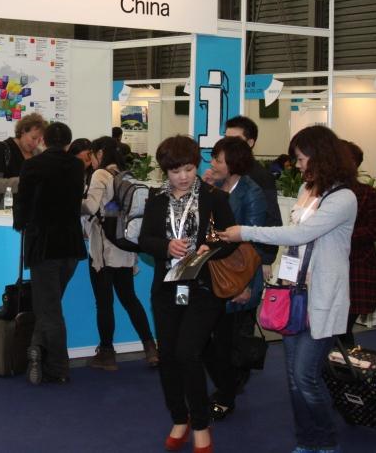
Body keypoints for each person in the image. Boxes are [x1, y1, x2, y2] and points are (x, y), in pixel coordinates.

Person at [222, 125, 357, 453]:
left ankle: (326, 439)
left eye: (300, 158)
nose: (296, 165)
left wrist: (246, 232)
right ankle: (307, 440)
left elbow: (298, 235)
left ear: (319, 156)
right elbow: (296, 242)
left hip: (322, 298)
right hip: (294, 294)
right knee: (295, 379)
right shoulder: (306, 190)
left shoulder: (344, 198)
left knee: (305, 376)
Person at [139, 135, 236, 453]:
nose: (183, 176)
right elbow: (145, 239)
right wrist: (166, 246)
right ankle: (179, 418)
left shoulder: (214, 197)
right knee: (167, 355)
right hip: (167, 287)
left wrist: (211, 247)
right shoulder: (156, 199)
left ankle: (200, 424)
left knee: (188, 353)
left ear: (197, 165)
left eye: (189, 169)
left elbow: (230, 238)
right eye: (175, 171)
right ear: (165, 171)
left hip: (203, 287)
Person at [13, 121, 86, 385]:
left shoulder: (33, 165)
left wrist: (21, 223)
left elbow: (23, 202)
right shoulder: (77, 166)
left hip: (44, 246)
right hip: (71, 246)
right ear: (68, 143)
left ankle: (57, 366)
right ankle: (36, 348)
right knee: (49, 305)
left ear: (43, 140)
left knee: (49, 309)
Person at [201, 135, 268, 421]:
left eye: (218, 160)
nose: (213, 164)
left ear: (234, 163)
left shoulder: (251, 193)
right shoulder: (213, 187)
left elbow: (255, 244)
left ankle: (226, 395)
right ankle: (226, 388)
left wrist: (246, 286)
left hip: (237, 278)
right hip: (212, 274)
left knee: (227, 343)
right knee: (206, 339)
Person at [80, 136, 157, 371]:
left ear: (99, 153)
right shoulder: (126, 175)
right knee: (130, 299)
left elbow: (90, 207)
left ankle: (106, 353)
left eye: (92, 155)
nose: (91, 160)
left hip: (104, 249)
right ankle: (150, 348)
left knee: (104, 302)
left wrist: (72, 201)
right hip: (124, 247)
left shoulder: (100, 175)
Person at [340, 141, 376, 348]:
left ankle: (347, 363)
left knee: (342, 327)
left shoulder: (368, 193)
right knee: (336, 330)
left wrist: (344, 236)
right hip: (333, 266)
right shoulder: (322, 191)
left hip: (358, 264)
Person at [0, 112, 46, 209]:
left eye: (39, 140)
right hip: (3, 212)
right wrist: (23, 182)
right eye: (33, 138)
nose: (35, 143)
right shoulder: (1, 148)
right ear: (23, 131)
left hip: (29, 212)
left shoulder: (38, 154)